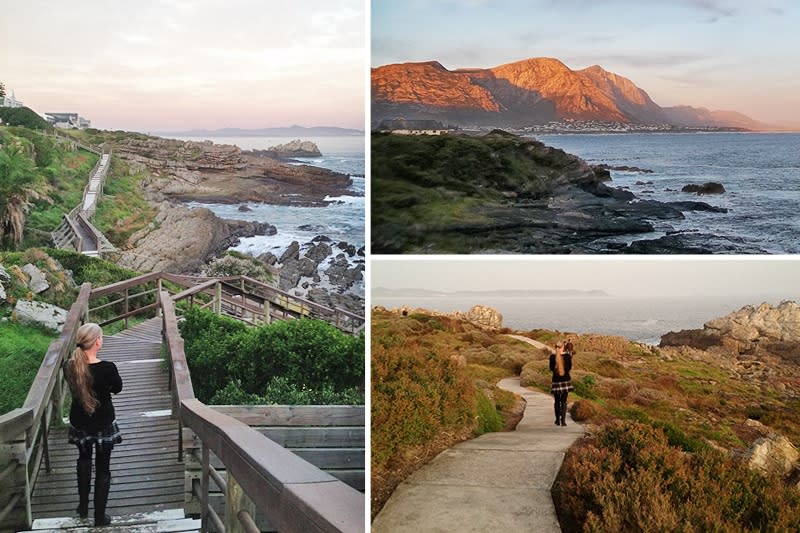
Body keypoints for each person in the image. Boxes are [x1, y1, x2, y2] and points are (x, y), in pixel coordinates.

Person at [64, 323, 122, 526]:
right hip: (103, 422)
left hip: (80, 422)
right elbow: (118, 388)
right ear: (97, 341)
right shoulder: (108, 368)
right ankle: (99, 516)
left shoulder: (69, 366)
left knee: (83, 459)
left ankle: (82, 507)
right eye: (102, 337)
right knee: (103, 468)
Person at [550, 341, 574, 426]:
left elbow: (551, 368)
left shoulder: (552, 357)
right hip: (565, 381)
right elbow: (569, 368)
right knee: (564, 401)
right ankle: (563, 421)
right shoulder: (567, 357)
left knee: (557, 401)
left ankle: (557, 420)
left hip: (556, 381)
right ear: (563, 347)